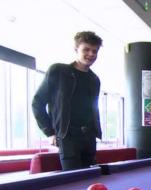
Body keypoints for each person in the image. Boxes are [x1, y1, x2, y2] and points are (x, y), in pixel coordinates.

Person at [32, 31, 103, 171]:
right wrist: (49, 132)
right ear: (76, 49)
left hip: (89, 137)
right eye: (86, 49)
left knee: (90, 179)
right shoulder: (58, 71)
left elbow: (93, 109)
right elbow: (37, 103)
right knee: (73, 181)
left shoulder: (95, 80)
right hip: (68, 137)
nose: (91, 54)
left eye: (95, 51)